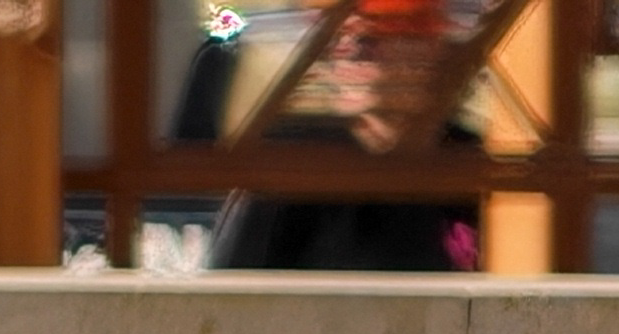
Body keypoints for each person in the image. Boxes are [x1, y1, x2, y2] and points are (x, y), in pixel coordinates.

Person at [185, 3, 484, 273]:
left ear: (435, 41)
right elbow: (228, 307)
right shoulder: (290, 170)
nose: (348, 46)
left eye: (375, 31)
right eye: (334, 28)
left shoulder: (483, 173)